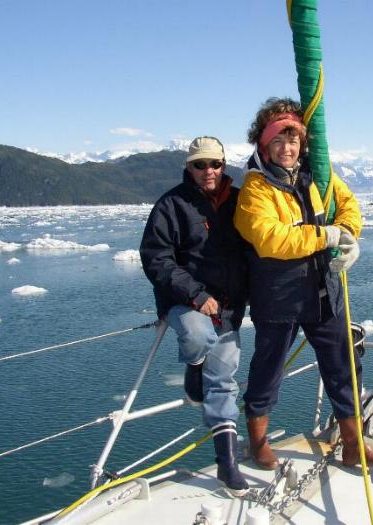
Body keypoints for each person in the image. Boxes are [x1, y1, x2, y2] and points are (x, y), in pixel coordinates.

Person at [234, 97, 373, 470]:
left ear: (303, 143)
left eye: (294, 140)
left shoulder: (318, 175)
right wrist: (327, 236)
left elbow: (347, 203)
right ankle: (258, 442)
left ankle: (353, 443)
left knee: (343, 363)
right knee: (268, 367)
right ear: (263, 145)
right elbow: (271, 238)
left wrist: (348, 234)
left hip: (323, 288)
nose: (287, 148)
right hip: (278, 293)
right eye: (278, 141)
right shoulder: (255, 189)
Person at [140, 136, 249, 496]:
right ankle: (194, 364)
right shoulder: (172, 204)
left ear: (224, 165)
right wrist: (196, 294)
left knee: (224, 380)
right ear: (188, 167)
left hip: (229, 306)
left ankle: (227, 464)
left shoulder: (239, 202)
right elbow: (156, 258)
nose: (208, 171)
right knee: (197, 336)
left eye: (215, 164)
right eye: (200, 165)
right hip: (183, 299)